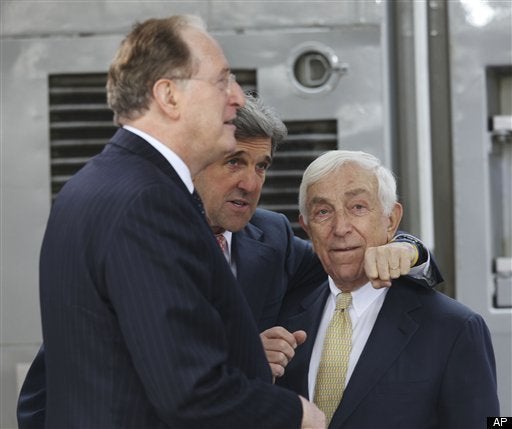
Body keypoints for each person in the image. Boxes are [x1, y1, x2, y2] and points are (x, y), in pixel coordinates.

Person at [18, 94, 442, 427]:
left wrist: (407, 249)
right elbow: (43, 398)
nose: (250, 183)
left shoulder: (271, 238)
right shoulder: (130, 242)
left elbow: (344, 259)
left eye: (261, 166)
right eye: (235, 162)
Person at [31, 15, 325, 429]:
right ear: (169, 96)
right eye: (222, 81)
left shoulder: (92, 185)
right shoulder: (150, 203)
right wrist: (298, 415)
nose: (236, 97)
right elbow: (190, 390)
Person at [276, 150, 500, 428]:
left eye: (358, 207)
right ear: (307, 227)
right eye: (323, 212)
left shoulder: (454, 328)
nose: (341, 228)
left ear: (391, 220)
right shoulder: (283, 320)